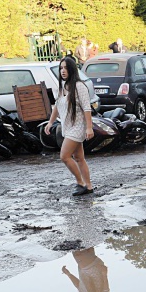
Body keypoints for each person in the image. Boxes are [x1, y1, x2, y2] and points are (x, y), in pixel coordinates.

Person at [44, 57, 94, 196]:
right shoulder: (63, 86)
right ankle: (88, 186)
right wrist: (50, 122)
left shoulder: (79, 86)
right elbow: (57, 106)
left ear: (72, 69)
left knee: (64, 156)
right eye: (61, 68)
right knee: (79, 157)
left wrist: (89, 128)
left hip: (77, 127)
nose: (63, 71)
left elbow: (87, 108)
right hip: (67, 126)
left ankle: (81, 183)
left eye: (65, 68)